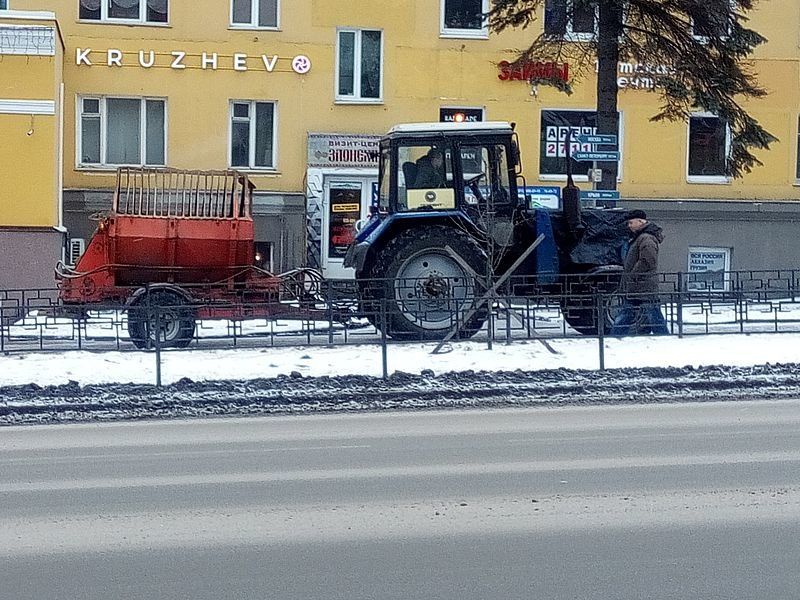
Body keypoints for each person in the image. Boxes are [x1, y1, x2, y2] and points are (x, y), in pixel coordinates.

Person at [611, 209, 670, 336]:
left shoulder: (646, 238)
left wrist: (633, 275)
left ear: (640, 221)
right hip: (639, 285)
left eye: (631, 223)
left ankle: (615, 337)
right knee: (630, 312)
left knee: (650, 313)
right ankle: (615, 337)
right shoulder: (641, 237)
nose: (629, 226)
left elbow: (648, 260)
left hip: (642, 285)